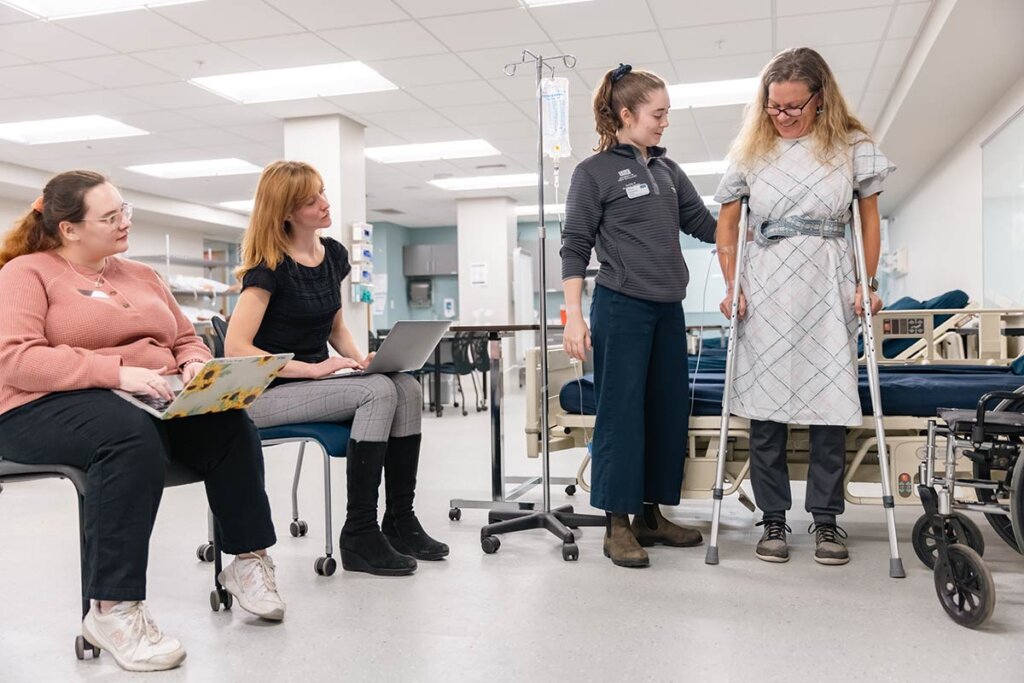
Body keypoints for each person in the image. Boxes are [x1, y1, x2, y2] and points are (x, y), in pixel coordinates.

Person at [0, 171, 285, 673]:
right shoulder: (26, 274)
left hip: (145, 395)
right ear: (69, 229)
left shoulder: (140, 274)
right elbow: (18, 360)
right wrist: (116, 372)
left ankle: (247, 561)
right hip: (37, 405)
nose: (124, 223)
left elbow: (184, 338)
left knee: (227, 419)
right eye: (110, 218)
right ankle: (113, 609)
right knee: (129, 438)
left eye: (124, 210)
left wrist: (196, 364)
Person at [714, 47, 894, 566]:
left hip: (827, 281)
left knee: (829, 407)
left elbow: (869, 221)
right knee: (766, 409)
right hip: (765, 284)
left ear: (820, 98)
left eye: (794, 107)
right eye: (775, 107)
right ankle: (773, 517)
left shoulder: (852, 146)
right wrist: (732, 285)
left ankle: (826, 521)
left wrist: (867, 282)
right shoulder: (752, 150)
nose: (784, 116)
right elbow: (728, 225)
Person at [225, 160, 447, 577]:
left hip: (319, 382)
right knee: (377, 391)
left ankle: (399, 519)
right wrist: (310, 371)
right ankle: (359, 533)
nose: (325, 204)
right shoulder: (267, 269)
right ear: (287, 212)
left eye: (322, 192)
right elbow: (236, 349)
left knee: (405, 387)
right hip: (267, 395)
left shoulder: (334, 256)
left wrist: (362, 359)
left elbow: (336, 326)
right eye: (312, 200)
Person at [560, 64, 717, 568]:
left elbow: (703, 224)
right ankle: (616, 525)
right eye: (658, 113)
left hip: (668, 308)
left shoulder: (668, 171)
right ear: (626, 115)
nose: (664, 122)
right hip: (622, 306)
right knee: (621, 415)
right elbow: (575, 246)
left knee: (667, 410)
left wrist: (756, 226)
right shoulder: (593, 172)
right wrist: (573, 317)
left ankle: (651, 515)